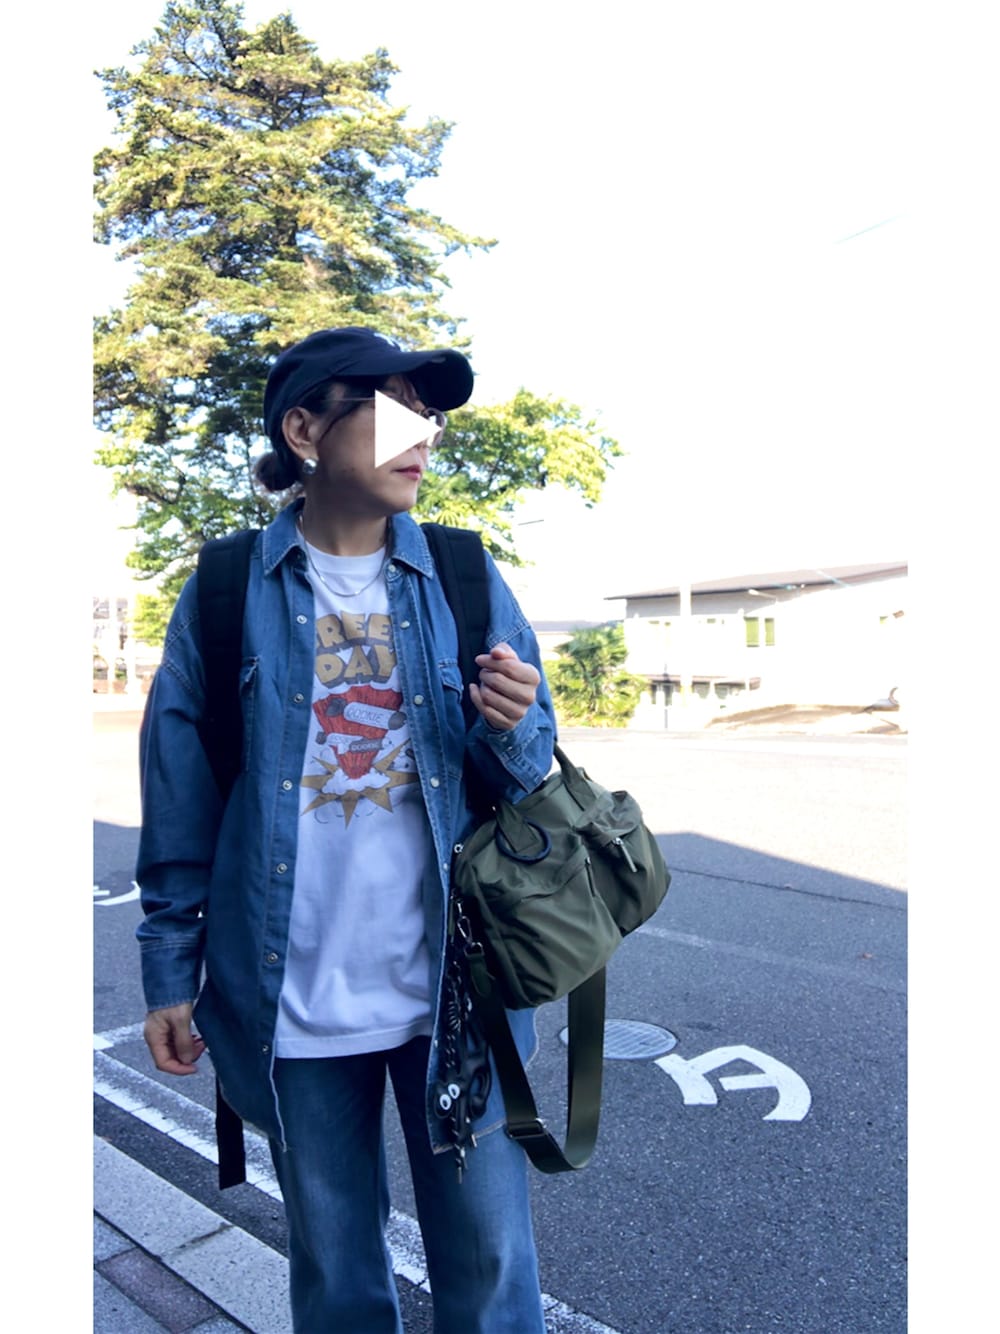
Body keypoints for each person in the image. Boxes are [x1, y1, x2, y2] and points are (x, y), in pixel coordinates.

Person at [135, 326, 557, 1334]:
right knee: (336, 1281)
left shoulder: (461, 572)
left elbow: (529, 767)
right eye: (400, 411)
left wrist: (514, 722)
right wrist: (170, 972)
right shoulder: (226, 590)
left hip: (456, 990)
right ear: (305, 431)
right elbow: (181, 798)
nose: (427, 435)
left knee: (491, 1272)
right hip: (292, 998)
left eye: (432, 415)